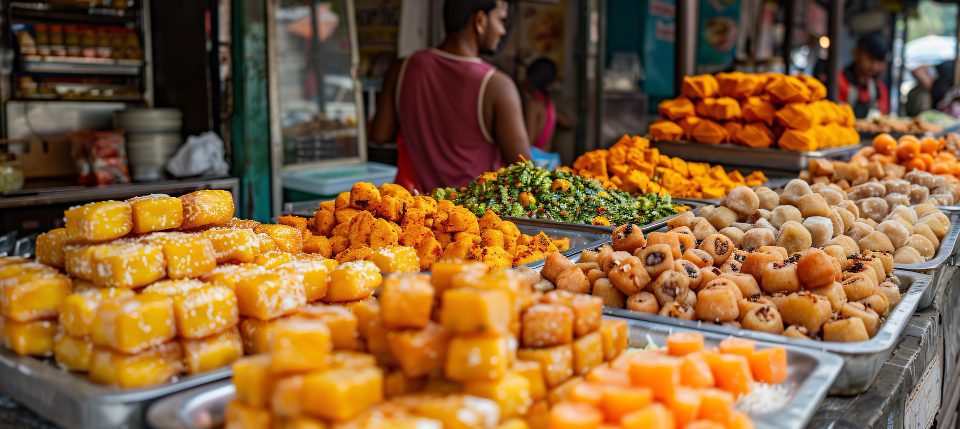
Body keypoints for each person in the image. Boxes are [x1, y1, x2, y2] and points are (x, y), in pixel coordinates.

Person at [370, 0, 531, 192]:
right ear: (480, 21)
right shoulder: (497, 86)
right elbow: (526, 173)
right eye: (500, 20)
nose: (503, 31)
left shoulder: (402, 68)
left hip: (418, 211)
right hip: (474, 216)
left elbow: (380, 134)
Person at [522, 57, 571, 152]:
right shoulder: (549, 104)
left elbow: (528, 141)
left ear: (530, 78)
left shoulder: (533, 105)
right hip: (548, 160)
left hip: (536, 161)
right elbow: (568, 123)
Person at [838, 33, 890, 118]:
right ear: (856, 53)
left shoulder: (879, 88)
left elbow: (883, 116)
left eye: (878, 62)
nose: (874, 66)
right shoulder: (838, 81)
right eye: (870, 59)